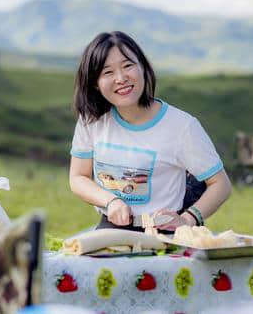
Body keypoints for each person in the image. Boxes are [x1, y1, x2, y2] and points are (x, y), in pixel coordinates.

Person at [69, 31, 231, 233]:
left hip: (165, 231)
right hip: (111, 226)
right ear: (95, 83)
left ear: (143, 67)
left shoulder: (182, 126)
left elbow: (221, 184)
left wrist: (188, 220)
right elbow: (78, 177)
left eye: (128, 66)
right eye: (107, 72)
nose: (121, 78)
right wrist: (110, 202)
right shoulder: (91, 120)